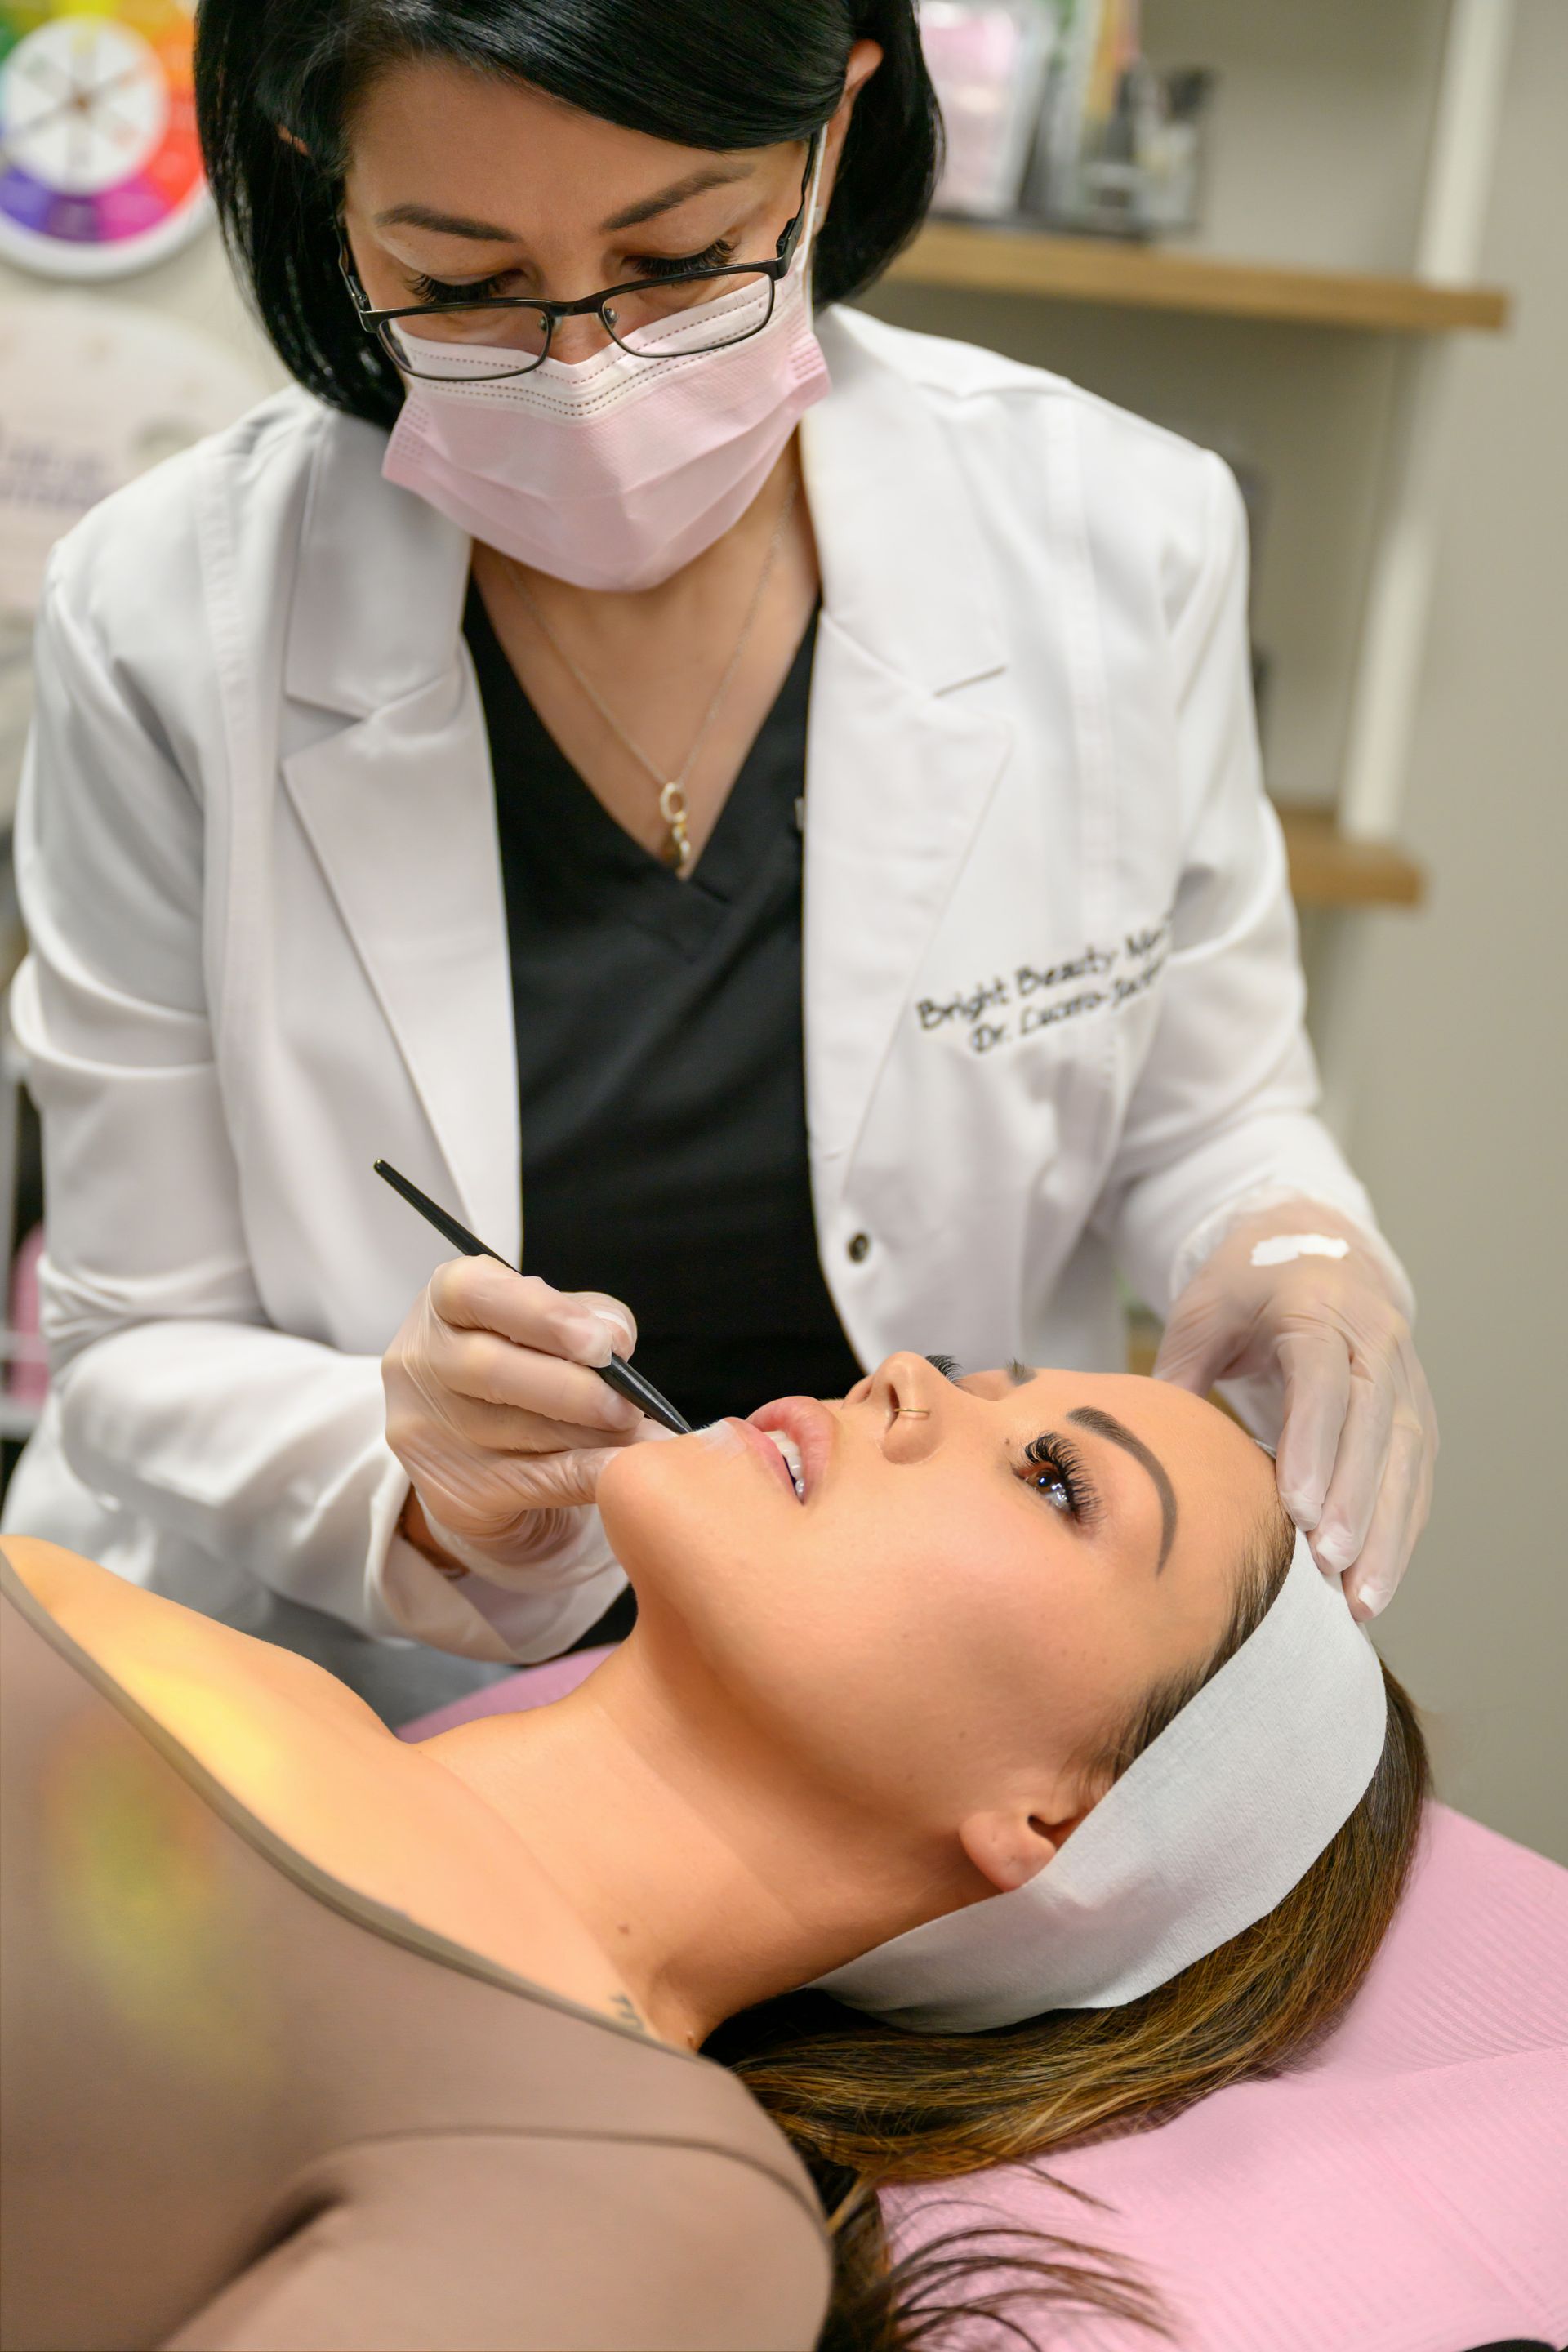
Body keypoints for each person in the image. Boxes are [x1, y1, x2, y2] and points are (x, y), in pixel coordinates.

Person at [5, 0, 1435, 1713]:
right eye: (461, 282)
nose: (587, 375)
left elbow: (1211, 1113)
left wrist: (1297, 1255)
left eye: (681, 260)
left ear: (834, 126)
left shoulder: (1117, 538)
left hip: (913, 1706)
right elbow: (130, 1340)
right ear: (326, 181)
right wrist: (417, 1475)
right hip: (348, 1690)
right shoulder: (170, 618)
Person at [1, 1358, 1428, 2351]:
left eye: (1054, 1480)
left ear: (1057, 1825)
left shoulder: (649, 2202)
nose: (907, 1379)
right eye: (981, 1379)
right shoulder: (216, 1659)